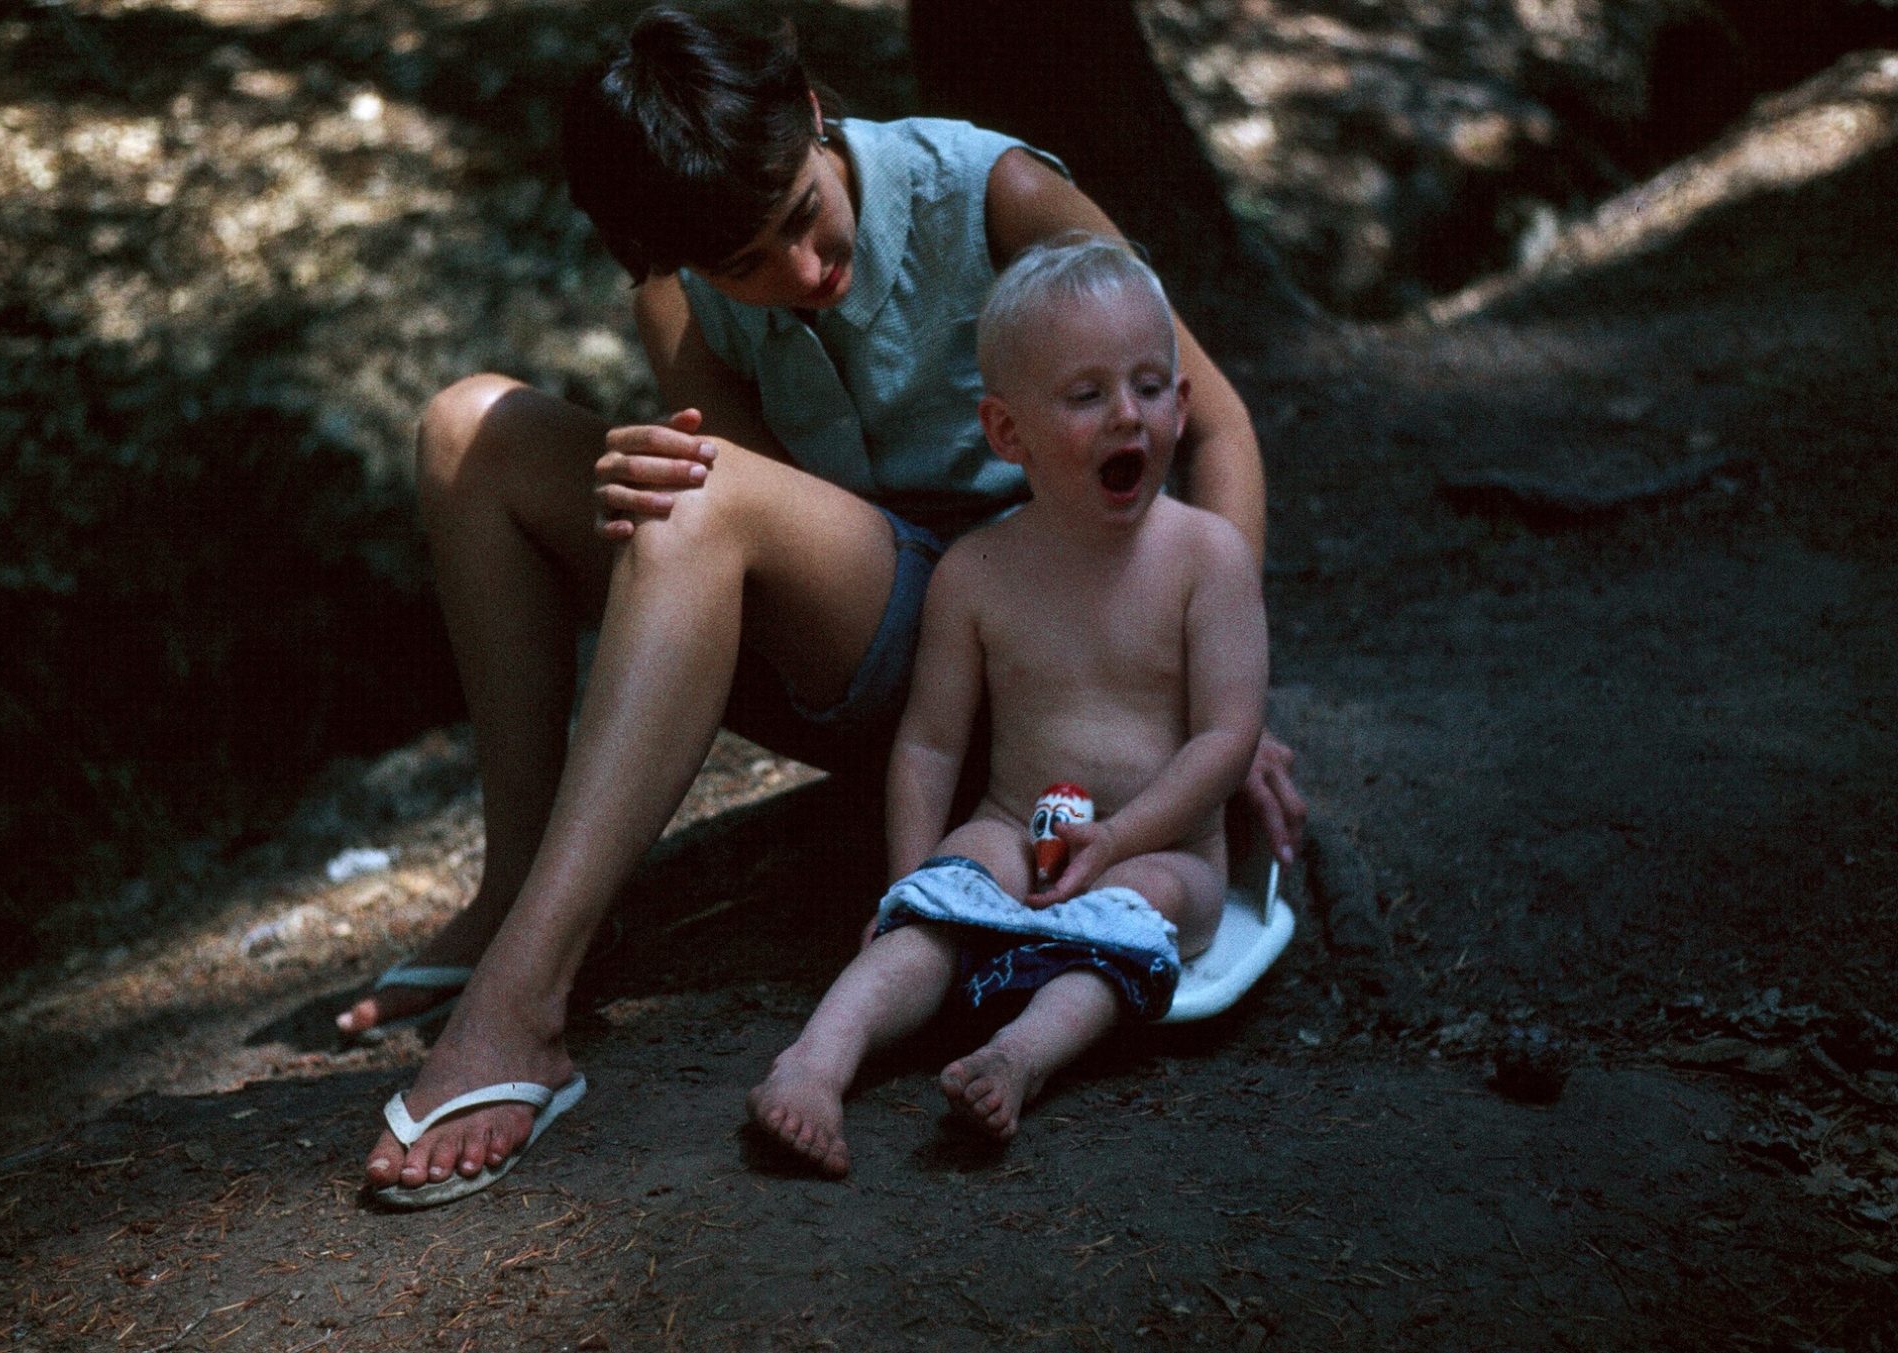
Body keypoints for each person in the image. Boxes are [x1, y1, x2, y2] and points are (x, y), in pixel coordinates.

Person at [355, 6, 1305, 1207]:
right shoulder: (683, 288)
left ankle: (521, 1013)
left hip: (1038, 663)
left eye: (801, 217)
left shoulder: (998, 192)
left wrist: (1213, 692)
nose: (800, 273)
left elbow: (1211, 424)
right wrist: (628, 483)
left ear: (811, 113)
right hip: (877, 643)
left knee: (697, 502)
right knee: (467, 433)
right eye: (746, 264)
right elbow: (754, 497)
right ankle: (512, 896)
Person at [747, 236, 1265, 1177]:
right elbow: (931, 747)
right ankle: (816, 1060)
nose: (1128, 416)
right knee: (953, 885)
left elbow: (1227, 738)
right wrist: (905, 889)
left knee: (1131, 908)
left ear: (1183, 407)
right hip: (1016, 827)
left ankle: (1019, 1057)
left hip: (1165, 851)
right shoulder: (979, 572)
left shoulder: (1206, 558)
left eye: (1152, 386)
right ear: (1006, 432)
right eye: (1085, 396)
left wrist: (1118, 839)